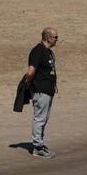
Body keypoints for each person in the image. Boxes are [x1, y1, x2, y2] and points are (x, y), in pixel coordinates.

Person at [25, 27, 59, 158]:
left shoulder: (48, 51)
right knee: (39, 118)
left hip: (47, 91)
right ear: (47, 37)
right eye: (55, 37)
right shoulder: (37, 51)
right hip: (40, 91)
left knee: (44, 118)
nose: (57, 40)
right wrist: (29, 83)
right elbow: (31, 71)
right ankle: (38, 147)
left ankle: (40, 143)